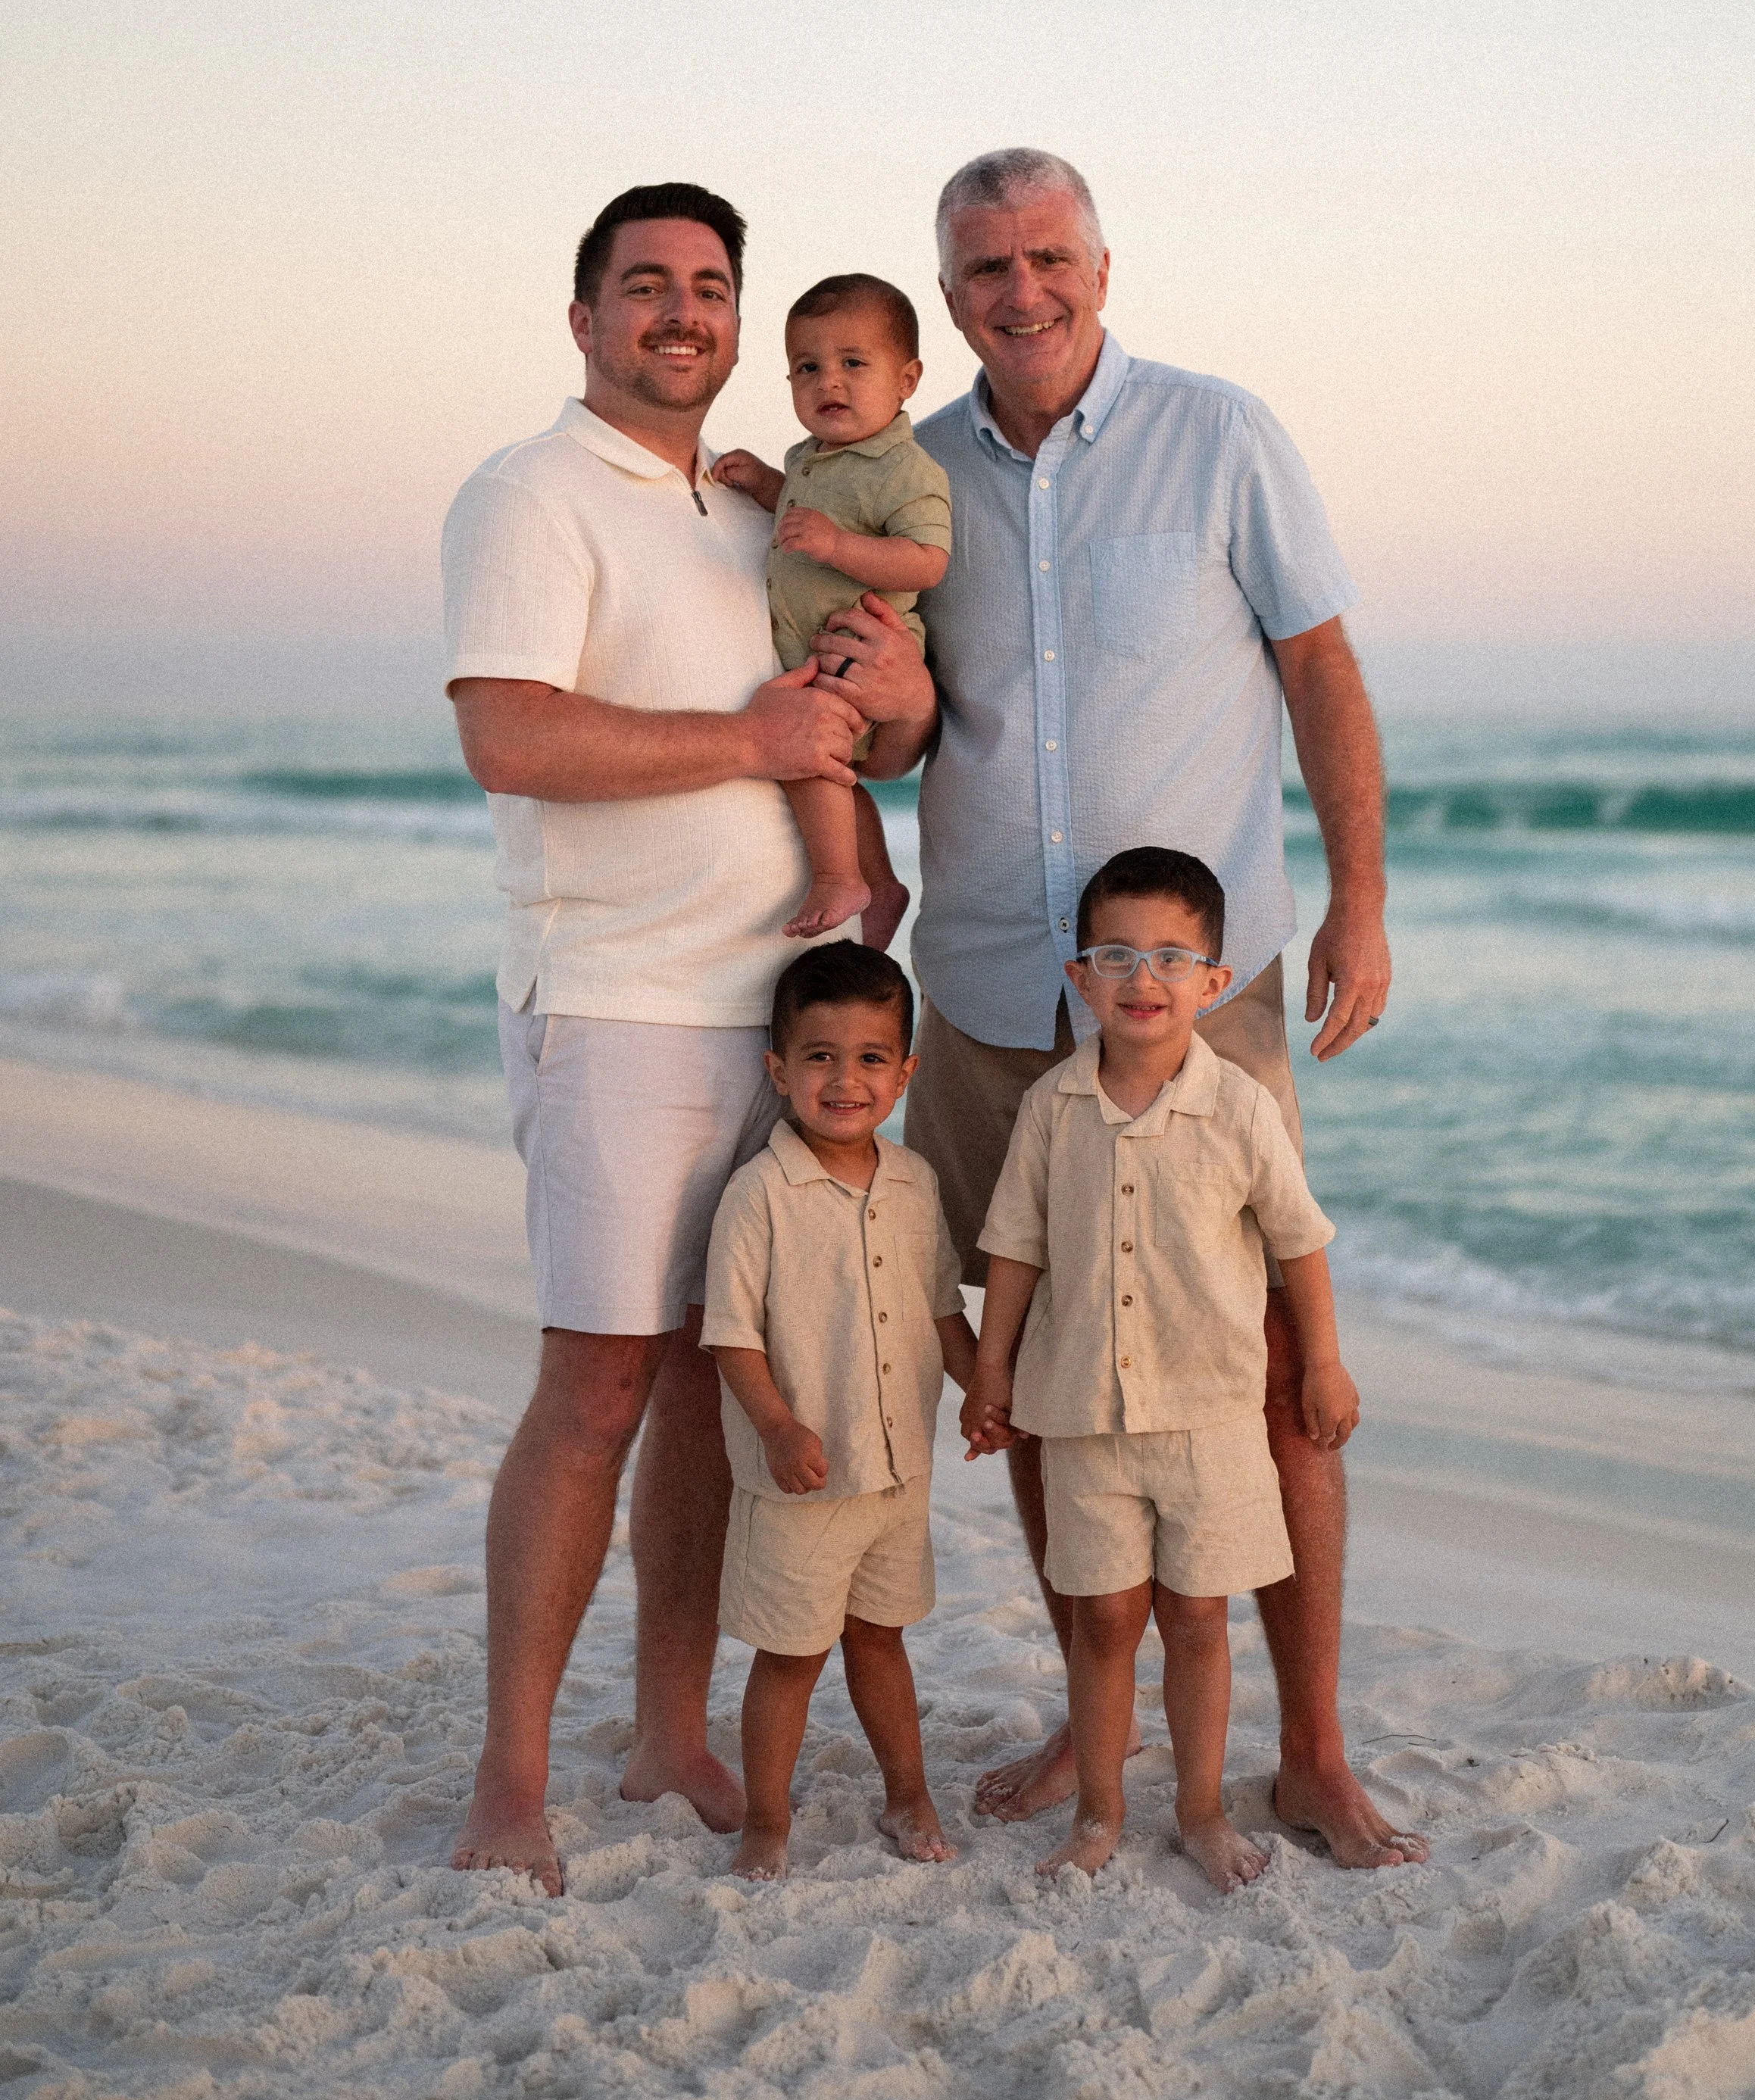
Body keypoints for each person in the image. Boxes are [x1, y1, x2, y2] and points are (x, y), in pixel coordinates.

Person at [800, 145, 1426, 1870]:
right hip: (996, 993)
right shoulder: (912, 483)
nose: (1024, 289)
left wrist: (1360, 900)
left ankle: (1309, 1749)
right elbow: (912, 725)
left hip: (1196, 1012)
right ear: (949, 295)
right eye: (986, 266)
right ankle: (1093, 1730)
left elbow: (1321, 667)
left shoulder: (1221, 435)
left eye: (1050, 255)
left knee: (1277, 1367)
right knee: (1040, 1378)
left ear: (1101, 261)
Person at [439, 182, 886, 1897]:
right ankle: (511, 1777)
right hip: (616, 1002)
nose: (681, 314)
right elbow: (510, 735)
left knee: (709, 1381)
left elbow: (846, 717)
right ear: (584, 318)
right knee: (598, 1385)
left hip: (767, 1019)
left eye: (709, 287)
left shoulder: (749, 509)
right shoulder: (531, 491)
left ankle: (669, 1732)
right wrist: (750, 734)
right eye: (646, 286)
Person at [963, 848, 1357, 1892]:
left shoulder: (1239, 1109)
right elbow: (1014, 1248)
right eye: (1118, 955)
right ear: (1079, 976)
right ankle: (1099, 1812)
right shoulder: (1051, 1109)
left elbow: (1298, 1241)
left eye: (1173, 957)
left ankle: (1199, 1809)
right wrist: (990, 1370)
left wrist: (1323, 1361)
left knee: (1196, 1617)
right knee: (1103, 1618)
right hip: (1085, 1418)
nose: (1145, 977)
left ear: (1213, 983)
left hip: (1212, 1416)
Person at [703, 940, 977, 1878]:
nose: (844, 1078)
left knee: (882, 1640)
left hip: (899, 1472)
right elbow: (732, 1333)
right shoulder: (759, 1195)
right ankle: (765, 1826)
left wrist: (985, 1384)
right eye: (819, 1056)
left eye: (869, 1058)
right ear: (778, 1069)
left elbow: (942, 1303)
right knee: (789, 1657)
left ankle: (909, 1797)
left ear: (904, 1073)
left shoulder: (914, 1183)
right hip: (804, 1481)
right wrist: (777, 1426)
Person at [711, 273, 951, 947]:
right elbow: (802, 512)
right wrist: (766, 484)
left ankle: (838, 878)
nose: (829, 383)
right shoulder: (814, 461)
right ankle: (878, 879)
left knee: (809, 759)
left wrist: (840, 546)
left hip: (857, 651)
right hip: (824, 652)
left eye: (853, 363)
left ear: (907, 378)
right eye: (807, 368)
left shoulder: (906, 469)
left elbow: (925, 559)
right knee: (842, 779)